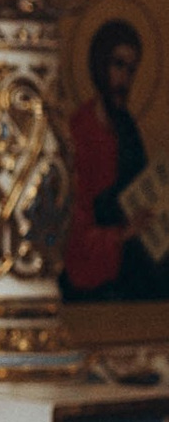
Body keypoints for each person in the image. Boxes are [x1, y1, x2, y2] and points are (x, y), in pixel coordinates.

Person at [63, 18, 169, 303]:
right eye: (118, 65)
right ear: (100, 65)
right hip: (100, 261)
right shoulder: (80, 131)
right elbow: (75, 233)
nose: (125, 79)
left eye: (131, 70)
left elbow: (144, 188)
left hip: (136, 244)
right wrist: (123, 233)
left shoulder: (126, 126)